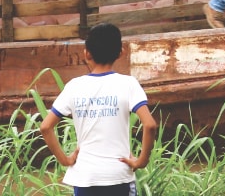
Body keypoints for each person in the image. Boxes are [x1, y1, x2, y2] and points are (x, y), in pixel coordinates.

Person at [39, 22, 158, 196]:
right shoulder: (128, 83)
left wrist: (65, 160)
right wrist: (141, 161)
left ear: (87, 53)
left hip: (85, 176)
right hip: (118, 174)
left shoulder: (74, 86)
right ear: (120, 52)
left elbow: (45, 127)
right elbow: (150, 125)